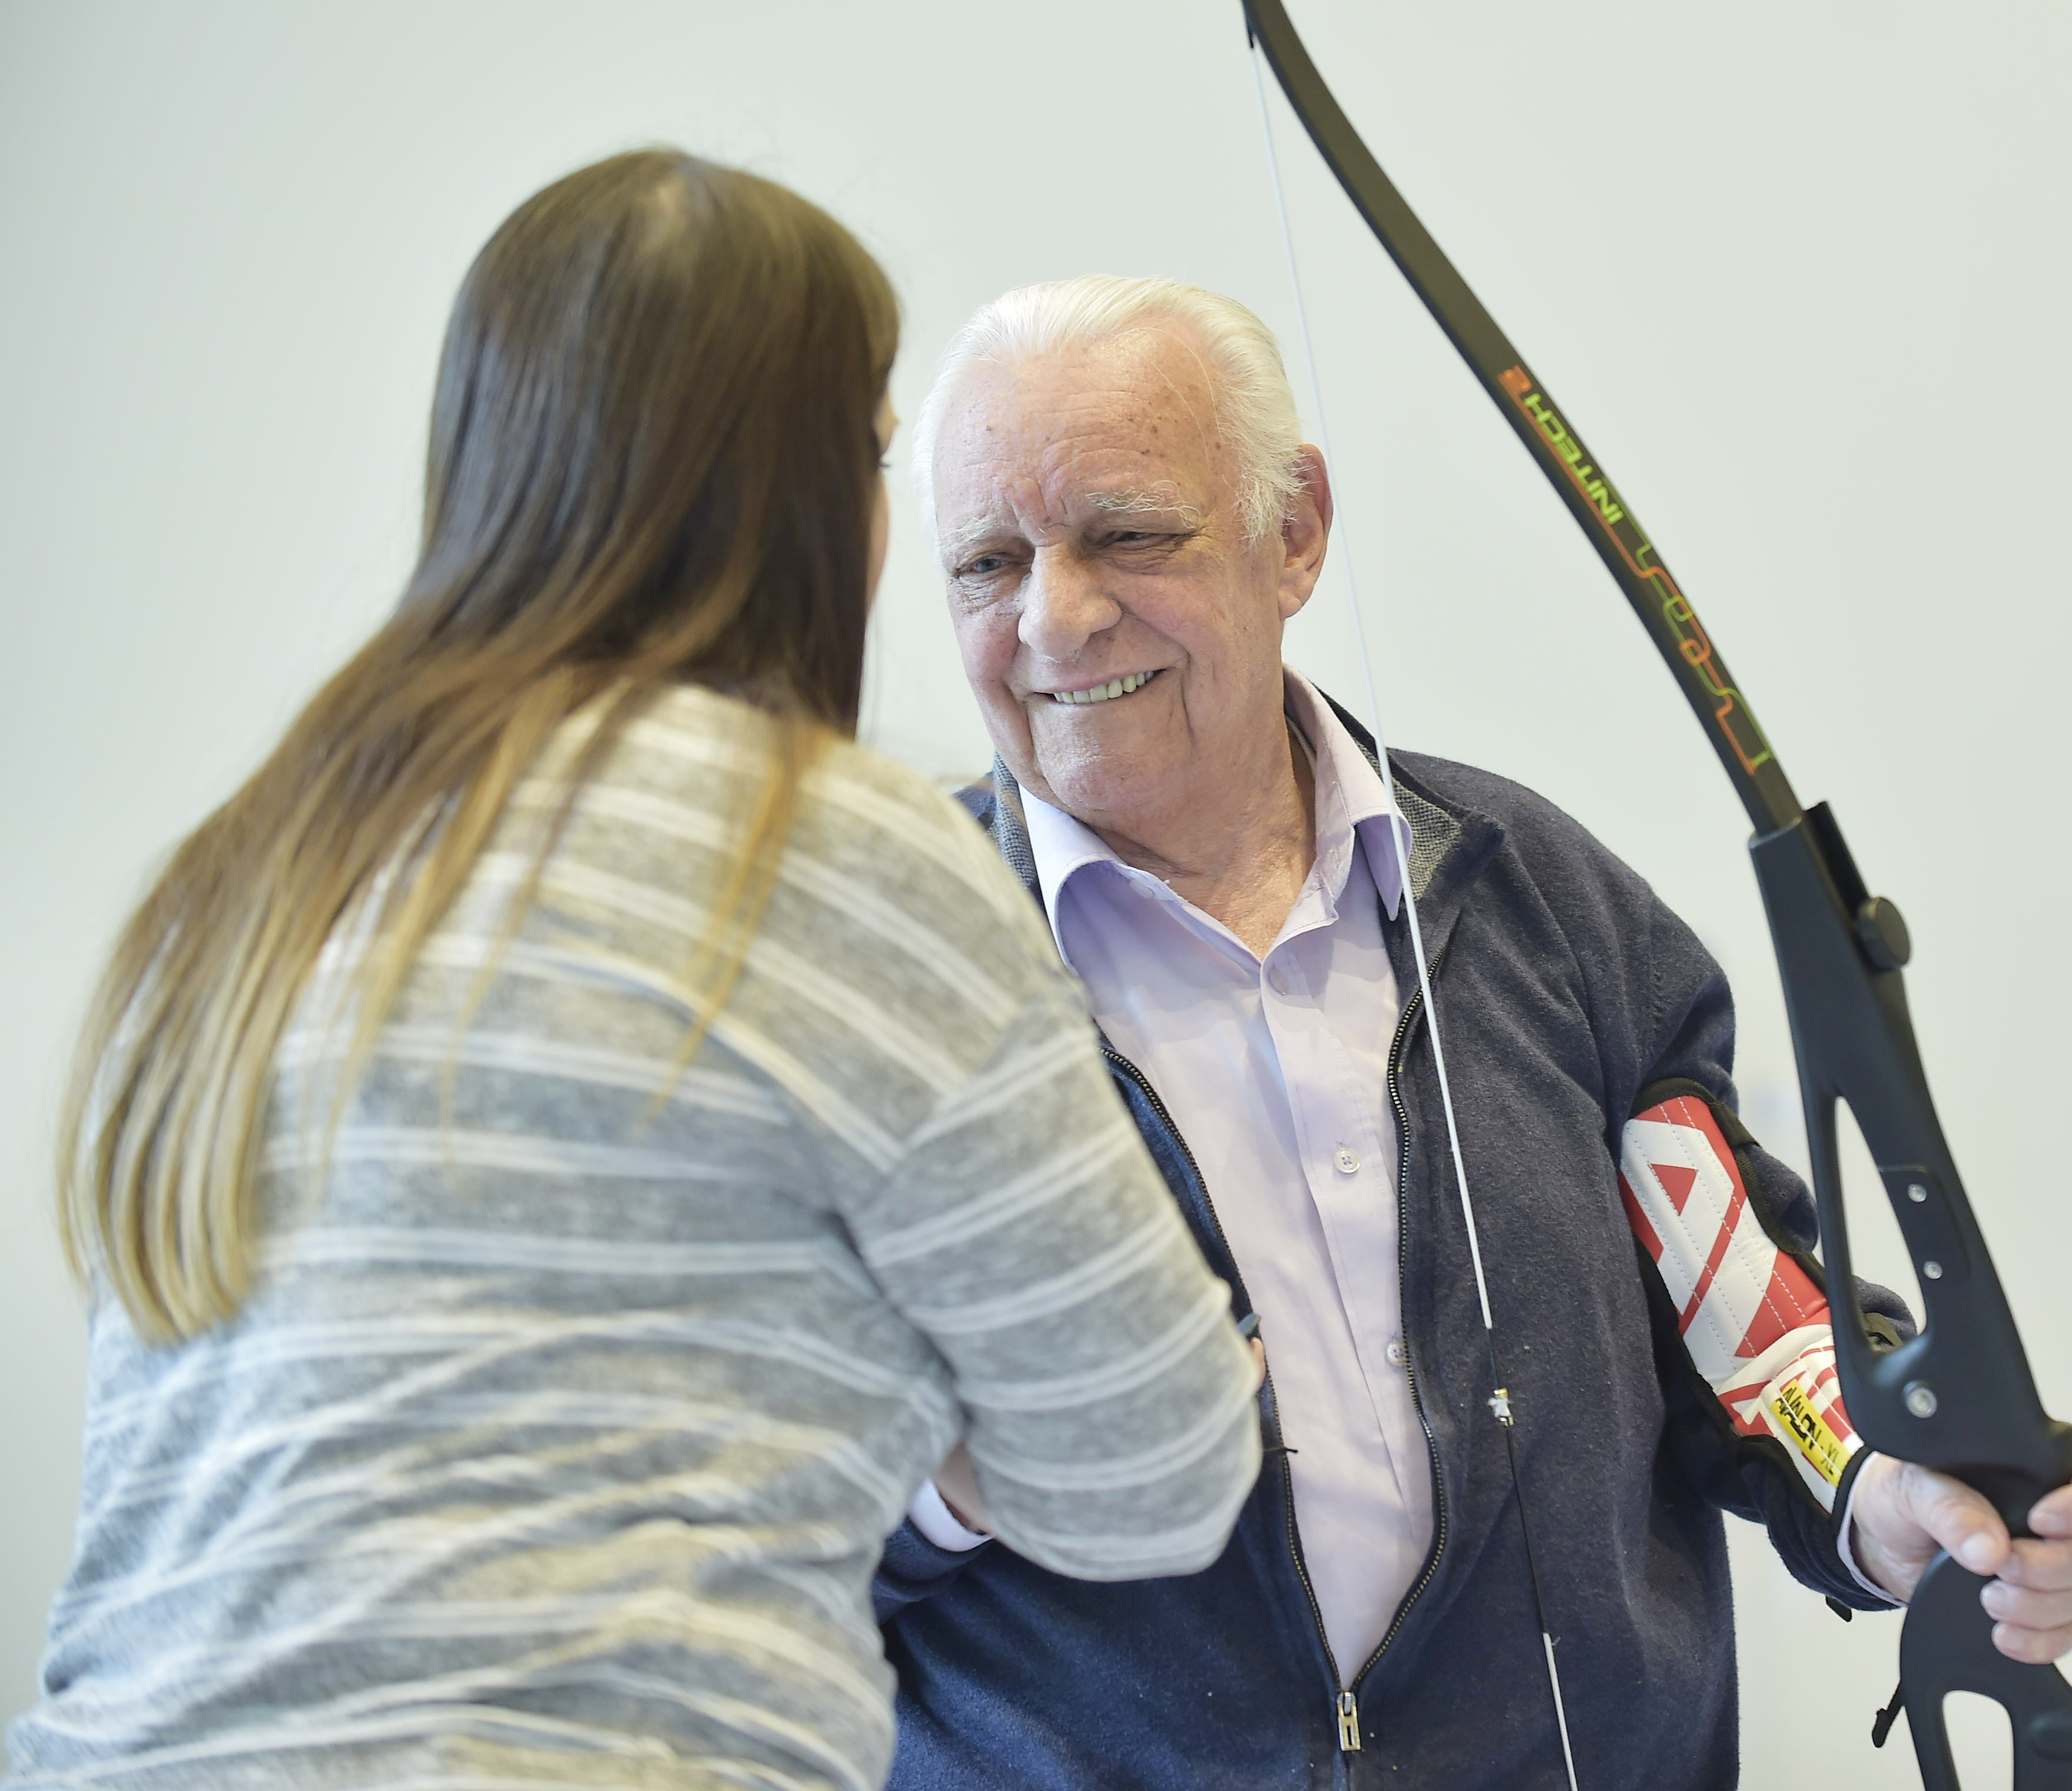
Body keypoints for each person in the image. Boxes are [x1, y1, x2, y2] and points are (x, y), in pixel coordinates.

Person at [7, 166, 1261, 1791]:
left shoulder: (236, 875)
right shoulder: (822, 853)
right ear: (814, 491)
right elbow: (1156, 1473)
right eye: (877, 455)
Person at [876, 274, 2072, 1789]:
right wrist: (947, 1472)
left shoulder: (1533, 896)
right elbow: (705, 1535)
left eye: (1130, 534)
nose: (1055, 617)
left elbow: (1748, 1327)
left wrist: (1890, 1484)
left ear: (1293, 529)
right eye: (986, 563)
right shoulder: (865, 970)